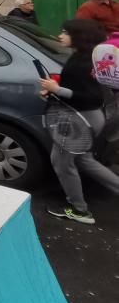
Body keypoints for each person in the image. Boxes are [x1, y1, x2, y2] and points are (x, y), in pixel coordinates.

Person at [41, 19, 119, 225]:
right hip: (87, 116)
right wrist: (53, 92)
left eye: (65, 32)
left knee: (61, 163)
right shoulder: (85, 57)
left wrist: (56, 90)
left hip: (80, 119)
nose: (60, 36)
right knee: (84, 160)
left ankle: (79, 210)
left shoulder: (83, 62)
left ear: (79, 36)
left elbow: (90, 96)